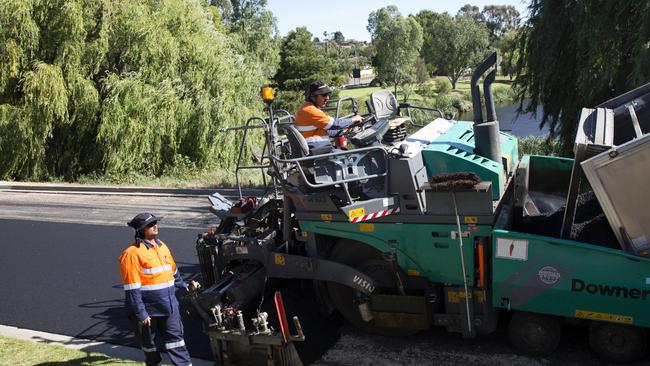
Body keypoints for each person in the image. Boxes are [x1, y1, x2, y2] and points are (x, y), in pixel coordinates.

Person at [119, 212, 200, 366]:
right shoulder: (131, 254)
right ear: (141, 229)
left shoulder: (162, 247)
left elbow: (174, 273)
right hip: (148, 312)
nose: (155, 226)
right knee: (150, 348)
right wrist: (141, 314)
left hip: (169, 307)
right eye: (150, 224)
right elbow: (132, 289)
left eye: (155, 222)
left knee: (177, 343)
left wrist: (186, 286)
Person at [295, 81, 364, 149]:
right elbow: (336, 124)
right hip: (319, 151)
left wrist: (343, 131)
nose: (327, 98)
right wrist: (353, 119)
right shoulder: (311, 110)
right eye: (324, 95)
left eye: (328, 94)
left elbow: (325, 129)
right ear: (313, 96)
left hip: (316, 148)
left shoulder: (306, 107)